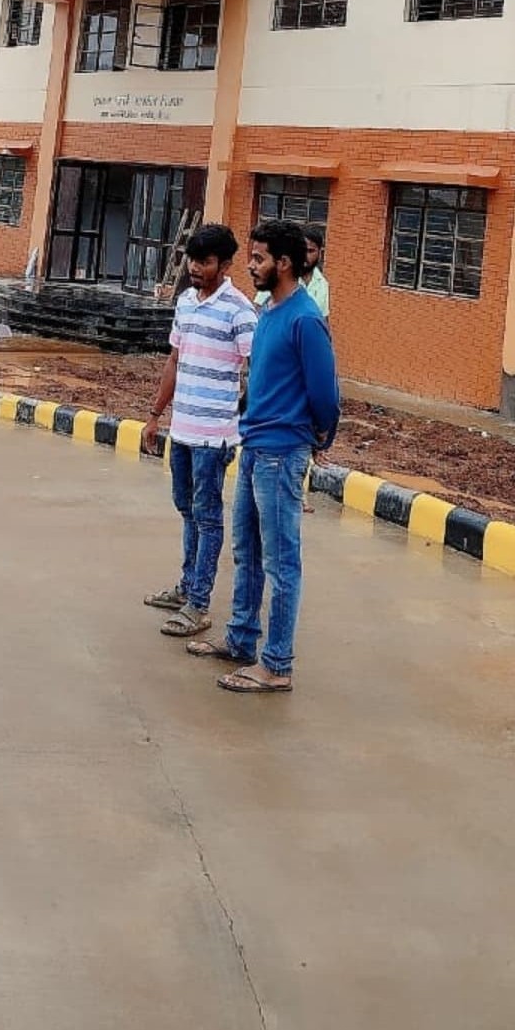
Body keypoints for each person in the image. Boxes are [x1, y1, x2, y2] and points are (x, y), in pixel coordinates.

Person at [187, 219, 340, 694]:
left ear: (284, 263)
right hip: (254, 445)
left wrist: (317, 437)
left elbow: (326, 394)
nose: (251, 266)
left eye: (259, 259)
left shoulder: (305, 319)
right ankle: (241, 639)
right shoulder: (269, 311)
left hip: (281, 453)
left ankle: (276, 664)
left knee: (280, 562)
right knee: (247, 552)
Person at [140, 224, 258, 640]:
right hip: (183, 431)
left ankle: (199, 604)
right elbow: (175, 360)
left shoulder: (240, 311)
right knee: (187, 509)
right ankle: (187, 586)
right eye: (192, 259)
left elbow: (258, 368)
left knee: (207, 517)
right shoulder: (186, 302)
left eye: (204, 262)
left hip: (214, 437)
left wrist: (245, 419)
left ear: (225, 265)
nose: (194, 267)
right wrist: (155, 415)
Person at [301, 224, 330, 318]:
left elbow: (323, 319)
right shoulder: (280, 278)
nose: (305, 256)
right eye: (302, 250)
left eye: (310, 251)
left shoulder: (322, 284)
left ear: (320, 253)